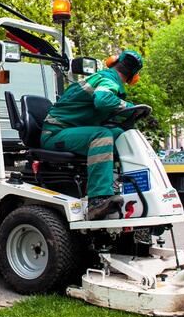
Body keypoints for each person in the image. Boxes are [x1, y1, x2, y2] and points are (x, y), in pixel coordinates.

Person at [40, 50, 143, 221]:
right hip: (55, 133)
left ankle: (116, 185)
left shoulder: (106, 79)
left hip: (72, 131)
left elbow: (109, 112)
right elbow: (103, 101)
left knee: (119, 135)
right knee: (101, 135)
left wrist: (132, 114)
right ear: (134, 77)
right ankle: (98, 200)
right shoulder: (108, 79)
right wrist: (130, 106)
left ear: (113, 61)